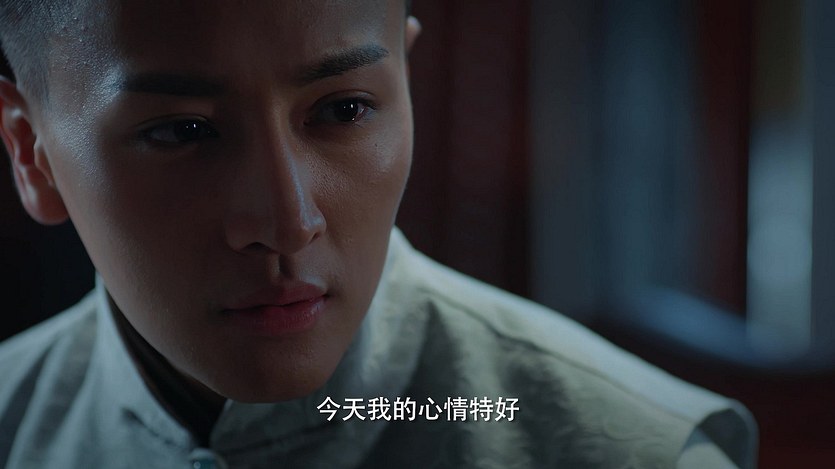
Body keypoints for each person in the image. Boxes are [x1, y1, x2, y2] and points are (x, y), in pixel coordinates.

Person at [0, 0, 756, 467]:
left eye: (345, 110)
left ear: (407, 85)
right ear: (33, 155)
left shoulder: (623, 450)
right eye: (183, 130)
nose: (288, 222)